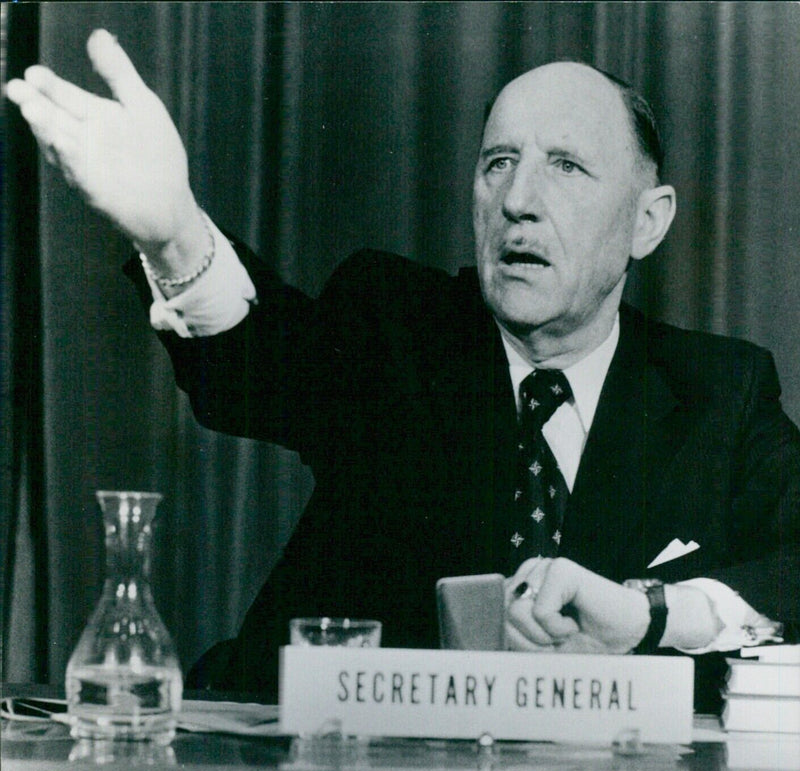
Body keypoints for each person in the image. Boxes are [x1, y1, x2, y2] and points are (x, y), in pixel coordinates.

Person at [8, 30, 800, 708]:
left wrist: (653, 615)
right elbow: (259, 361)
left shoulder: (720, 393)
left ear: (648, 221)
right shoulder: (397, 328)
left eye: (566, 166)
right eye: (497, 163)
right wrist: (175, 233)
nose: (518, 199)